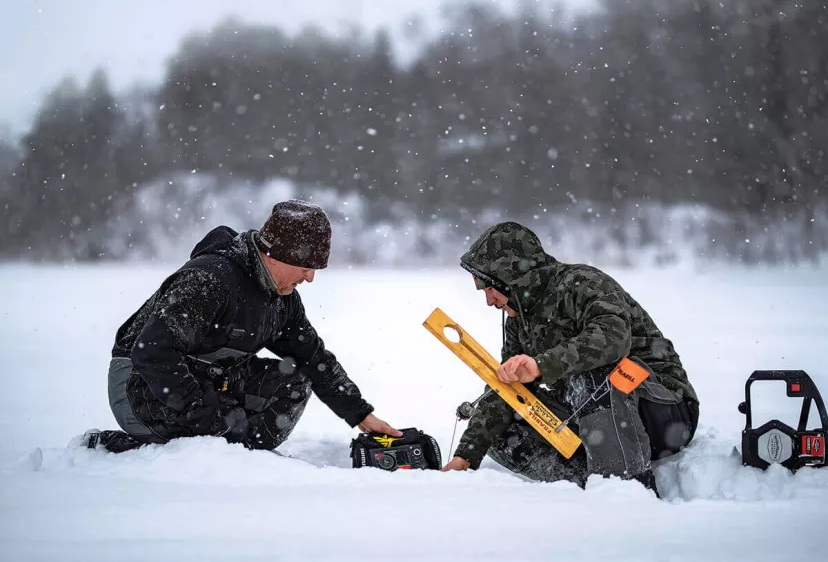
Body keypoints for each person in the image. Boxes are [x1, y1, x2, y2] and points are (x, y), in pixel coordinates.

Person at [84, 200, 400, 453]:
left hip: (212, 378)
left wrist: (360, 414)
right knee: (218, 423)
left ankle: (244, 458)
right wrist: (205, 411)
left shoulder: (282, 299)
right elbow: (152, 352)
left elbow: (313, 358)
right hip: (141, 384)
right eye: (306, 267)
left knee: (293, 382)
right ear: (277, 256)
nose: (310, 278)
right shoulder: (211, 279)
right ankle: (137, 449)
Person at [441, 222, 699, 492]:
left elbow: (613, 338)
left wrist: (540, 366)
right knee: (502, 428)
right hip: (594, 415)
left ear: (512, 277)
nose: (489, 301)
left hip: (665, 413)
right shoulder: (519, 320)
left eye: (489, 289)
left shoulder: (581, 283)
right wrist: (466, 456)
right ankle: (589, 483)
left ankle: (626, 492)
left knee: (595, 376)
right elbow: (508, 389)